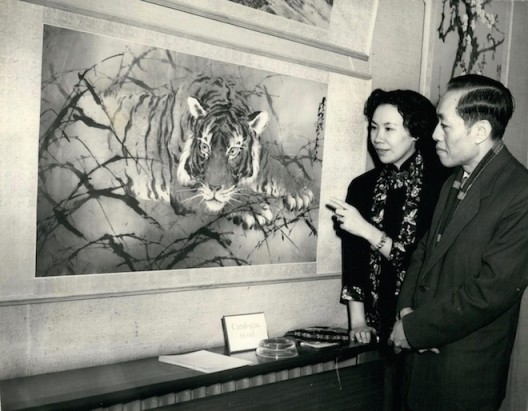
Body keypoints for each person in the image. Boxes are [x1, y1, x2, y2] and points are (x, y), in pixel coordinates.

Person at [390, 74, 528, 411]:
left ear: (479, 131)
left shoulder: (520, 193)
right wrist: (406, 313)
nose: (434, 135)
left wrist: (415, 330)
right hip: (420, 364)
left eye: (444, 125)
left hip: (462, 376)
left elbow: (490, 291)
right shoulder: (454, 179)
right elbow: (424, 252)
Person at [328, 89, 448, 409]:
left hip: (421, 326)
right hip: (376, 329)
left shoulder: (441, 184)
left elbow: (421, 263)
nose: (377, 138)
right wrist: (357, 321)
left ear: (416, 132)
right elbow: (352, 258)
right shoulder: (362, 186)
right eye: (373, 127)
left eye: (389, 128)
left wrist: (367, 230)